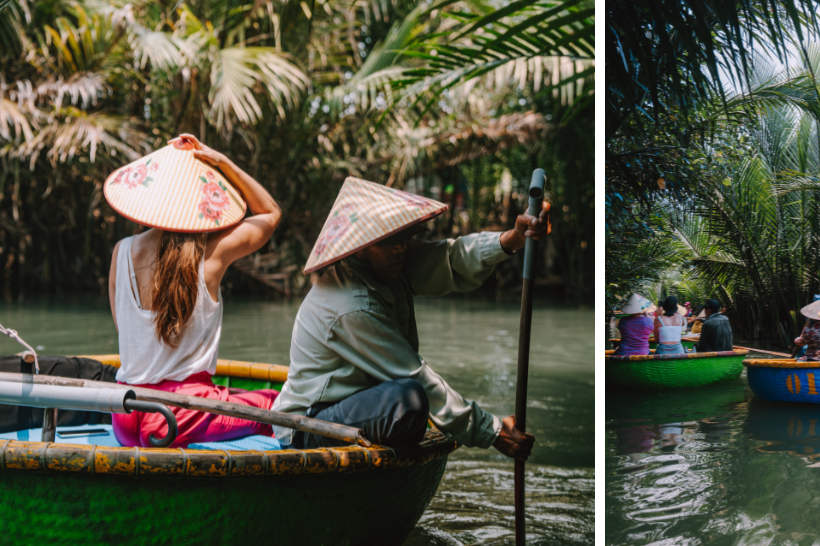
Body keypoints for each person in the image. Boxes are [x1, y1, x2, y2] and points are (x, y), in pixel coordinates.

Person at [271, 177, 546, 461]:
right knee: (408, 402)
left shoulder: (391, 260)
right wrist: (493, 430)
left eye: (404, 239)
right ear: (361, 246)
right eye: (389, 242)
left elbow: (450, 258)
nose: (400, 248)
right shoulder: (351, 305)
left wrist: (512, 239)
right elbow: (413, 374)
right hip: (307, 425)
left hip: (353, 405)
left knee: (410, 401)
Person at [105, 134, 282, 447]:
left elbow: (128, 334)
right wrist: (221, 162)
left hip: (124, 413)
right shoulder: (211, 256)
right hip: (179, 415)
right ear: (196, 202)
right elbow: (270, 213)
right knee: (274, 402)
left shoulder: (121, 252)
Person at [791, 295, 820, 361]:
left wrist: (796, 340)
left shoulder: (809, 330)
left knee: (799, 360)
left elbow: (801, 343)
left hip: (813, 357)